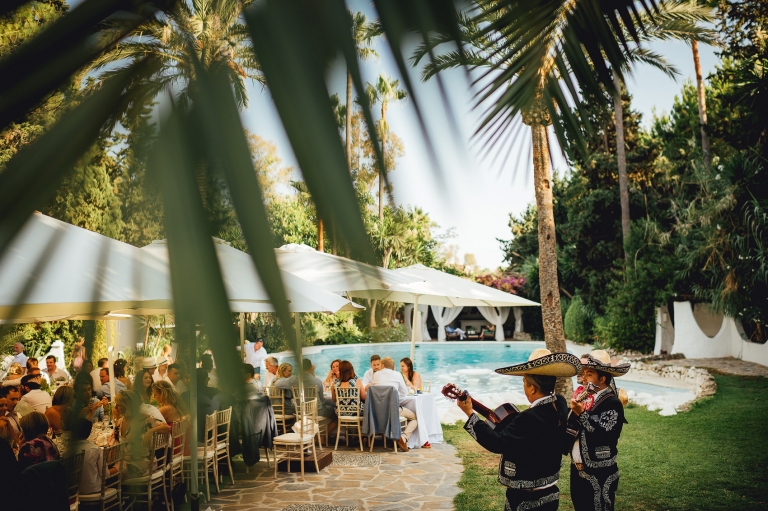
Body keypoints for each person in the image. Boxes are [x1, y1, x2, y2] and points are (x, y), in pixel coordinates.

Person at [457, 348, 580, 511]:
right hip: (550, 490)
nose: (524, 387)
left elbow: (497, 442)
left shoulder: (529, 418)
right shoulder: (559, 403)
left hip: (527, 497)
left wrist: (470, 414)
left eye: (524, 383)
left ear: (532, 388)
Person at [568, 350, 629, 511]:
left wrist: (581, 413)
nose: (584, 378)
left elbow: (602, 435)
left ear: (602, 379)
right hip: (578, 469)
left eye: (589, 374)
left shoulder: (612, 402)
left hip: (599, 471)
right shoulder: (587, 397)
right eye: (584, 373)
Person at [371, 357, 414, 452]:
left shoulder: (376, 375)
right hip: (392, 411)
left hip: (377, 412)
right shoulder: (397, 374)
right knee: (414, 418)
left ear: (382, 365)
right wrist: (394, 396)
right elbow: (405, 393)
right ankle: (403, 437)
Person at [65, 418, 113, 495]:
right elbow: (105, 474)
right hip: (94, 489)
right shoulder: (95, 449)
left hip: (73, 491)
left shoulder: (67, 452)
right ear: (89, 433)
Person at [181, 369, 219, 443]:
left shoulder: (185, 395)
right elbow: (232, 400)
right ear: (206, 379)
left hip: (191, 436)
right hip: (214, 432)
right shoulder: (214, 392)